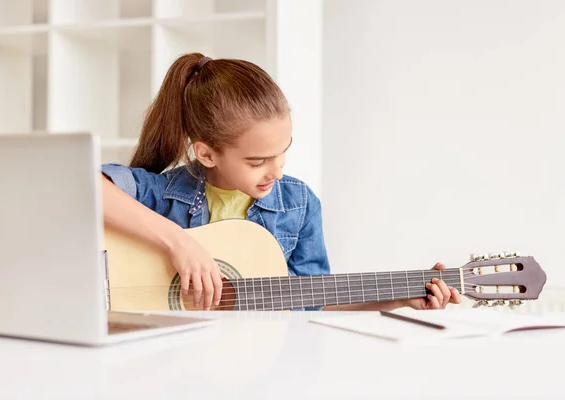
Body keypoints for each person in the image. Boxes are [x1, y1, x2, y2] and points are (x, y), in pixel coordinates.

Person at [101, 52, 461, 311]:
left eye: (282, 152)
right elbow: (85, 187)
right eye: (258, 161)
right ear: (207, 154)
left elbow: (312, 303)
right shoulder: (163, 195)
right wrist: (179, 244)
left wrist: (399, 296)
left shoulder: (299, 206)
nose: (276, 172)